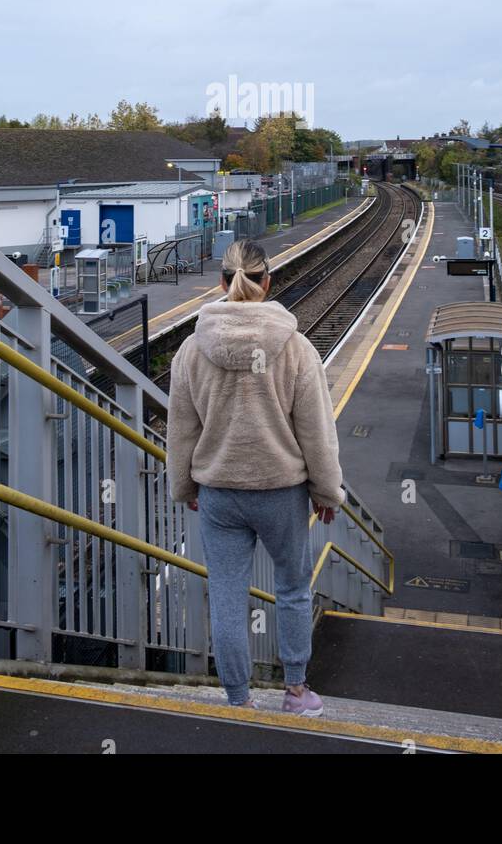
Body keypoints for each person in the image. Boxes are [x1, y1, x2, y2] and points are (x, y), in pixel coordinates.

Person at [166, 237, 345, 716]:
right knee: (291, 587)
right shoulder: (296, 347)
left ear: (221, 282)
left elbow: (182, 429)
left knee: (226, 595)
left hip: (219, 493)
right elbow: (317, 432)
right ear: (268, 281)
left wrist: (185, 486)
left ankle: (237, 700)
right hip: (281, 492)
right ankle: (295, 692)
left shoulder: (190, 349)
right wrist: (326, 492)